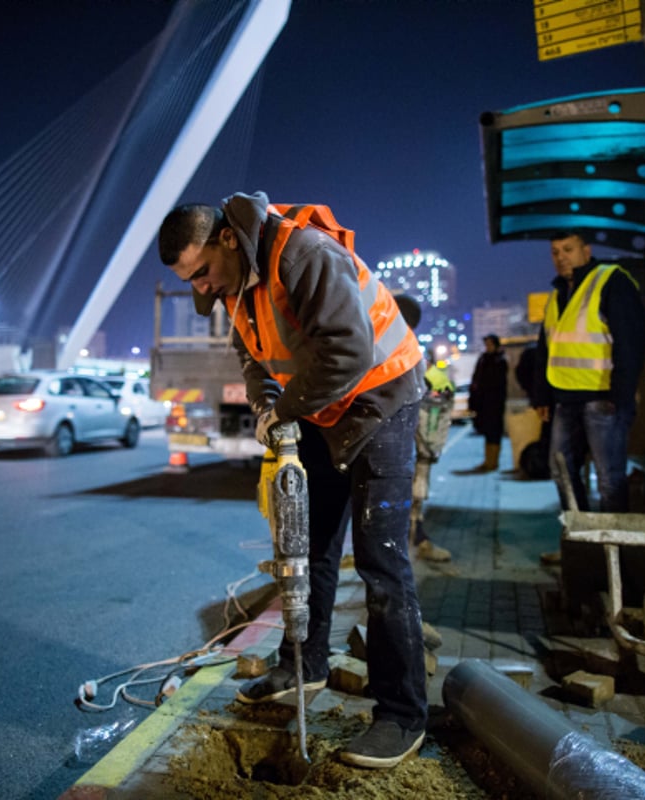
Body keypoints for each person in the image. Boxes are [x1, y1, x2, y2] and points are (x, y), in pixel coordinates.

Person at [159, 193, 429, 769]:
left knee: (381, 561)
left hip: (381, 400)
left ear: (228, 239)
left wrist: (286, 413)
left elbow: (348, 351)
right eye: (192, 281)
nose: (201, 290)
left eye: (202, 273)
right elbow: (252, 356)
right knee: (306, 548)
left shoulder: (302, 254)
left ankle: (401, 714)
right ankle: (302, 666)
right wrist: (267, 409)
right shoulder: (232, 285)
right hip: (322, 408)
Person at [531, 230, 645, 520]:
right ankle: (581, 544)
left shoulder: (611, 281)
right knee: (561, 472)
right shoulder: (558, 295)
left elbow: (629, 341)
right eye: (555, 252)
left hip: (603, 398)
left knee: (609, 479)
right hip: (565, 399)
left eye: (568, 249)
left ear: (586, 250)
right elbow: (546, 348)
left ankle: (615, 553)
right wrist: (542, 395)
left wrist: (622, 396)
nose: (561, 258)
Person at [393, 294, 454, 563]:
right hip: (412, 446)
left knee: (409, 494)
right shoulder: (416, 357)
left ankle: (415, 539)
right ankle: (414, 540)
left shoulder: (405, 354)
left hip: (408, 444)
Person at [460, 334, 508, 473]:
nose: (488, 347)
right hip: (484, 403)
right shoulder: (483, 359)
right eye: (486, 344)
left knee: (494, 432)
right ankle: (488, 461)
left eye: (490, 344)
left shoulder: (500, 360)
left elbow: (497, 383)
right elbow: (476, 380)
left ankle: (493, 462)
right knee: (487, 432)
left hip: (495, 402)